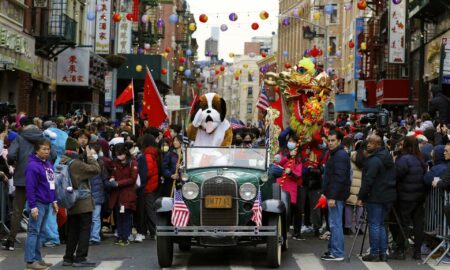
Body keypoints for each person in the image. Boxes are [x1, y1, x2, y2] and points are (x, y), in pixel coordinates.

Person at [2, 117, 55, 251]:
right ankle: (37, 241)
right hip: (40, 180)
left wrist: (15, 163)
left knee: (18, 211)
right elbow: (53, 155)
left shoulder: (19, 138)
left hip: (22, 178)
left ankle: (11, 240)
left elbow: (11, 155)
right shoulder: (43, 138)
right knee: (40, 209)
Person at [61, 138, 101, 267]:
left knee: (73, 230)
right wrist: (90, 157)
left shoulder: (62, 161)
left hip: (70, 201)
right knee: (85, 229)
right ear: (77, 149)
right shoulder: (76, 164)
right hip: (82, 201)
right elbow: (96, 169)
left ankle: (68, 257)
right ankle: (80, 257)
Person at [356, 134, 397, 262]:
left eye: (372, 142)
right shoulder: (386, 156)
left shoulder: (375, 160)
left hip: (376, 196)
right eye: (368, 142)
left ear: (378, 145)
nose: (368, 144)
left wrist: (361, 197)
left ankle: (375, 252)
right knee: (380, 224)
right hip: (387, 195)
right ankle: (383, 252)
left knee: (375, 224)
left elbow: (368, 181)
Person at [390, 136, 427, 260]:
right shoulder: (420, 159)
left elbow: (395, 176)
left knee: (403, 223)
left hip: (406, 196)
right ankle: (417, 251)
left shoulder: (404, 160)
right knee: (418, 224)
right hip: (419, 196)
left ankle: (401, 249)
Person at [24, 139, 57, 270]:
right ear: (37, 150)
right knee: (33, 232)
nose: (46, 152)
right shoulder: (33, 166)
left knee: (40, 232)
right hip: (37, 203)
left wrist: (54, 200)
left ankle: (37, 258)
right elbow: (30, 188)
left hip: (47, 202)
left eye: (48, 149)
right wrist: (33, 206)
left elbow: (51, 183)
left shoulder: (47, 163)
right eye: (43, 149)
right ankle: (30, 261)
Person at [320, 130, 351, 261]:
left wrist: (332, 196)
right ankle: (333, 250)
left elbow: (339, 178)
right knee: (333, 224)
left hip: (336, 196)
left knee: (335, 224)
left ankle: (337, 253)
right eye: (329, 140)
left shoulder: (340, 155)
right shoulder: (336, 154)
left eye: (333, 140)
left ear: (339, 141)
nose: (330, 143)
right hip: (334, 194)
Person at [108, 143, 138, 246]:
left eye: (121, 154)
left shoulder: (132, 163)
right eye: (117, 154)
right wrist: (112, 178)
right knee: (119, 216)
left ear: (126, 152)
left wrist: (118, 183)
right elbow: (113, 173)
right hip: (117, 195)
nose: (120, 156)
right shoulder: (115, 163)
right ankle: (120, 236)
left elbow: (133, 179)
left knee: (125, 216)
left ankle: (125, 236)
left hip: (127, 194)